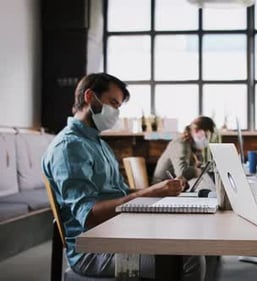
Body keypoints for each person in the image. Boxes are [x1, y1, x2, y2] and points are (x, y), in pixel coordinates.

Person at [42, 73, 205, 280]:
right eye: (113, 103)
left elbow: (121, 194)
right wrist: (150, 192)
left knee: (186, 239)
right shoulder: (69, 147)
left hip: (119, 233)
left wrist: (162, 191)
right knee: (189, 259)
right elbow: (90, 216)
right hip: (95, 251)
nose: (116, 113)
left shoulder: (97, 143)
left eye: (118, 107)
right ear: (90, 97)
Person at [152, 116, 216, 186]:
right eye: (206, 135)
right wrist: (201, 171)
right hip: (162, 188)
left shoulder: (192, 146)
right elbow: (182, 172)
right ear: (196, 130)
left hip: (177, 186)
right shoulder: (180, 144)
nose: (207, 140)